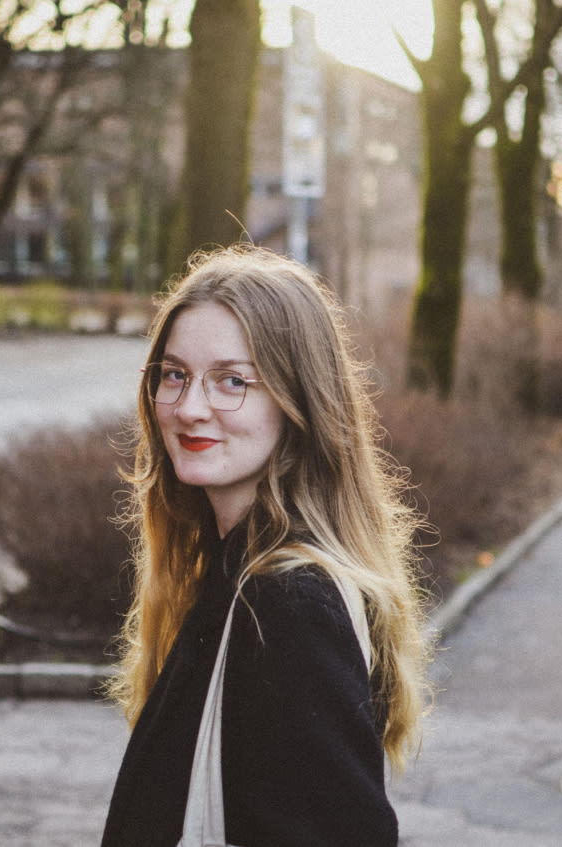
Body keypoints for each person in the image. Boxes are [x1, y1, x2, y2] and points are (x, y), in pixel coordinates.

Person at [101, 244, 432, 847]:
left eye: (233, 381)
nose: (189, 408)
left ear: (297, 401)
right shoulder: (229, 570)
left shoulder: (288, 606)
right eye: (174, 375)